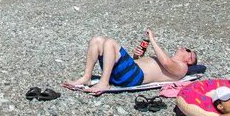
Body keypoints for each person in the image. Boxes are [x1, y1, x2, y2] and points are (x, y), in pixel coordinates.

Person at [62, 30, 197, 95]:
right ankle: (86, 77)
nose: (182, 47)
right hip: (129, 72)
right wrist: (137, 56)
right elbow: (142, 63)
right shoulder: (170, 61)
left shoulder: (181, 68)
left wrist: (153, 40)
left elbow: (166, 63)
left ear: (190, 59)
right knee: (97, 39)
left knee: (110, 42)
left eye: (187, 49)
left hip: (134, 77)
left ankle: (104, 82)